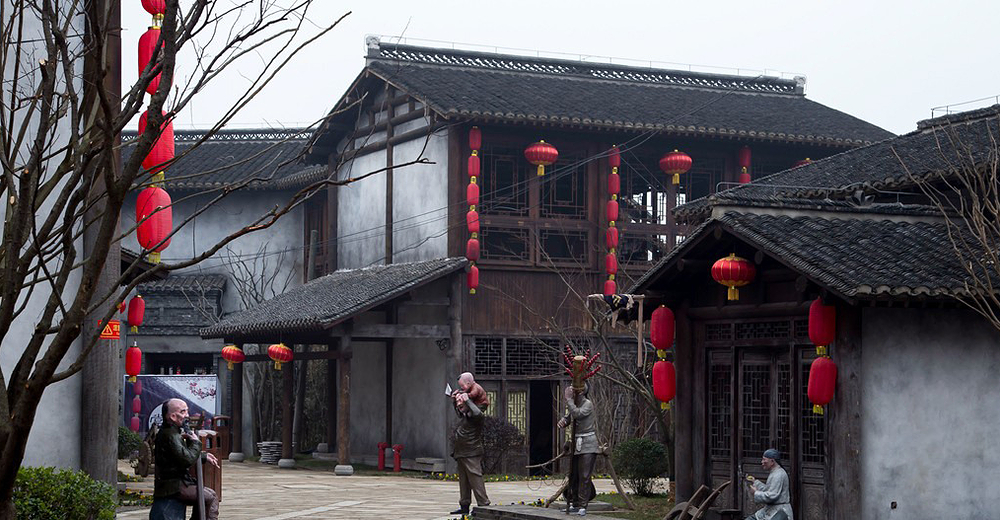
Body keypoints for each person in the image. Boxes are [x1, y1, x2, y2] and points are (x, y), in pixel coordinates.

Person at [154, 398, 220, 520]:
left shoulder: (172, 432)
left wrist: (203, 456)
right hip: (173, 486)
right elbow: (186, 459)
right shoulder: (171, 435)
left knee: (207, 495)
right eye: (183, 412)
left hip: (175, 483)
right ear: (173, 416)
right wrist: (195, 443)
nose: (187, 416)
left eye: (187, 411)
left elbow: (180, 454)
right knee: (210, 497)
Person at [557, 384, 599, 516]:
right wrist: (564, 420)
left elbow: (577, 414)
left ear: (580, 392)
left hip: (588, 444)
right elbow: (571, 416)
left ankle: (582, 505)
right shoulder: (575, 404)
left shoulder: (587, 404)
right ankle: (574, 503)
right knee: (574, 475)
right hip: (576, 444)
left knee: (584, 475)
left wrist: (569, 400)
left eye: (573, 390)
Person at [449, 389, 490, 516]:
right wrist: (454, 401)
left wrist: (466, 399)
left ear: (469, 402)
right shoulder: (466, 414)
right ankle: (464, 504)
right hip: (461, 452)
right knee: (464, 480)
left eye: (461, 402)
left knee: (475, 478)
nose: (459, 405)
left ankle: (484, 504)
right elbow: (459, 412)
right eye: (457, 403)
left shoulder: (476, 417)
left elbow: (478, 413)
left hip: (471, 452)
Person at [743, 449, 793, 520]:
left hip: (780, 511)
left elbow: (772, 495)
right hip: (771, 510)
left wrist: (756, 493)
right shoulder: (775, 472)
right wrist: (755, 482)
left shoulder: (779, 474)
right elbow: (768, 489)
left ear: (772, 461)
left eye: (764, 460)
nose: (762, 462)